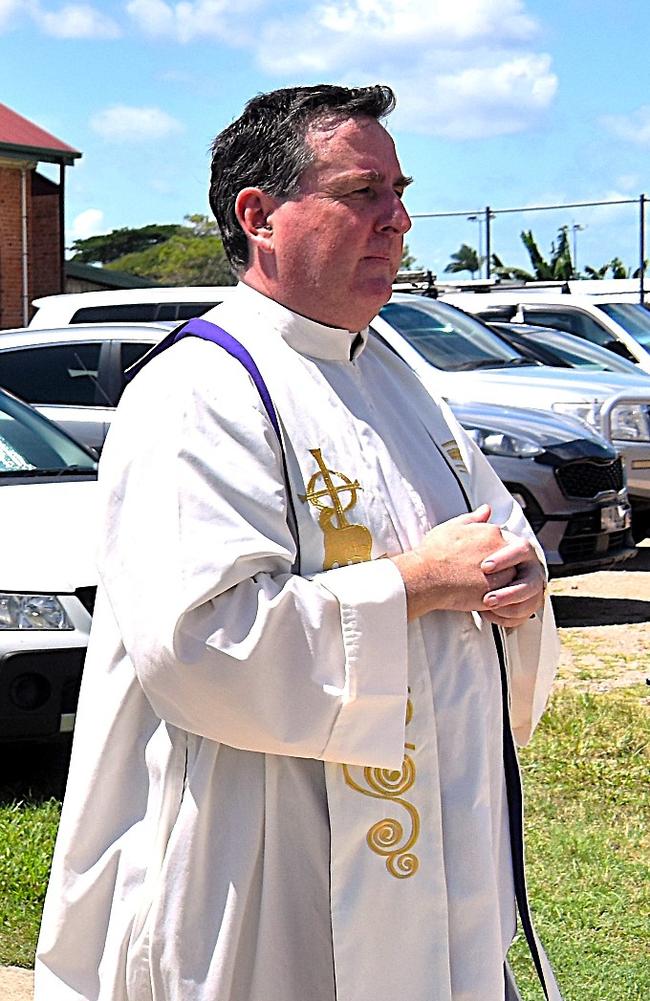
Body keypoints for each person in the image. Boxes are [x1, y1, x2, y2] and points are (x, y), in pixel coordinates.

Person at [35, 84, 561, 1001]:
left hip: (433, 849)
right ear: (260, 214)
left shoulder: (398, 372)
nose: (398, 222)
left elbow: (486, 532)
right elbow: (201, 643)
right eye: (363, 193)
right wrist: (413, 584)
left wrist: (519, 579)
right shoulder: (202, 388)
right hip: (264, 863)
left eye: (400, 193)